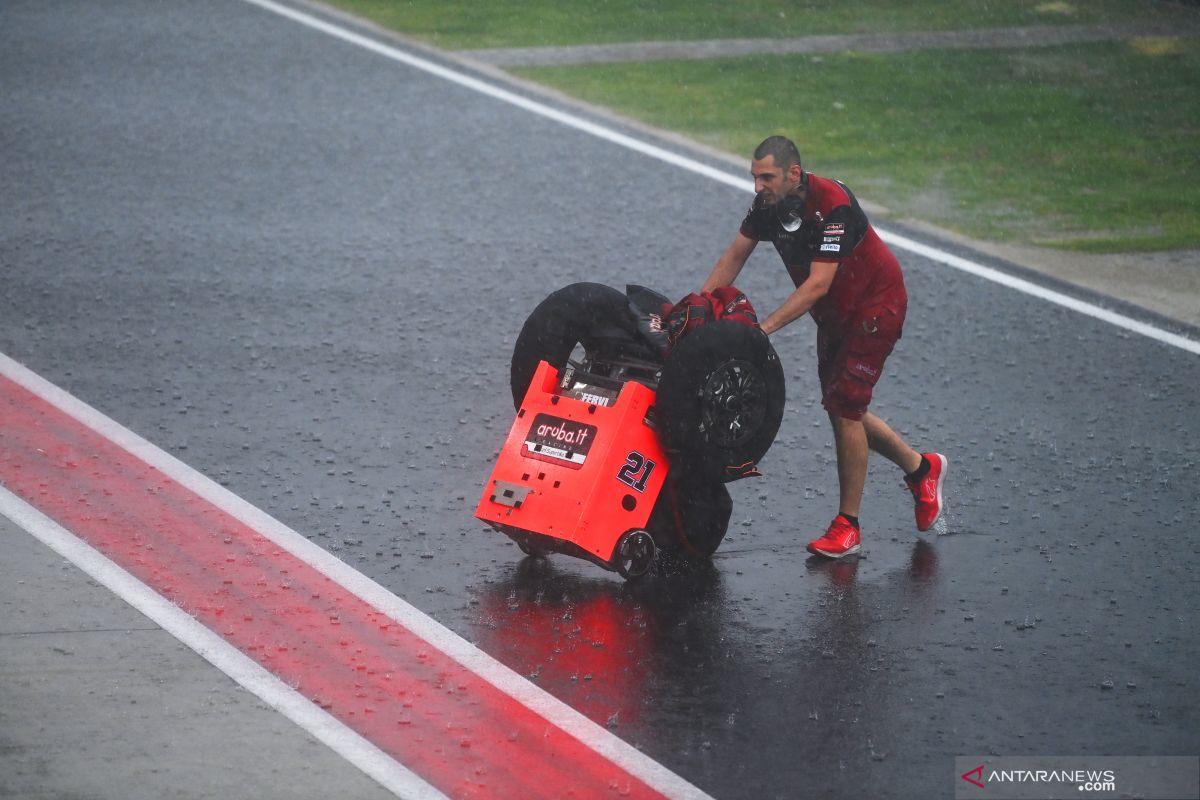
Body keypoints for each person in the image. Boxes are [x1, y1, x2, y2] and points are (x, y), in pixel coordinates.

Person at [701, 135, 946, 558]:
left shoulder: (833, 205)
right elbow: (734, 256)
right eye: (754, 177)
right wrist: (699, 308)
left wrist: (763, 329)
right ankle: (922, 469)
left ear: (793, 173)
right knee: (841, 407)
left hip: (875, 309)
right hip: (834, 318)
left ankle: (847, 526)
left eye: (767, 177)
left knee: (846, 408)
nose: (758, 186)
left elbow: (817, 285)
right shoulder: (768, 206)